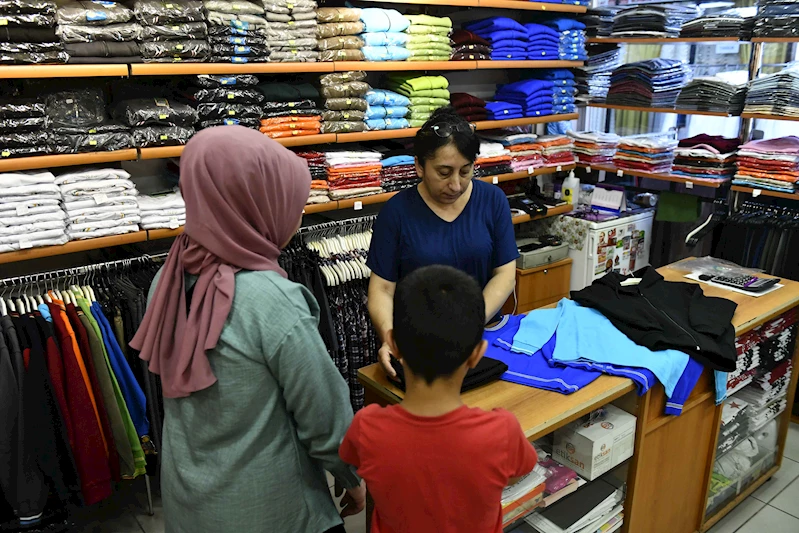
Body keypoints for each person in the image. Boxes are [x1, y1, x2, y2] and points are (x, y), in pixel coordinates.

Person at [130, 126, 365, 533]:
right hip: (272, 510)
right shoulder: (273, 300)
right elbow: (324, 416)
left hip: (191, 503)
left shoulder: (167, 279)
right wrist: (350, 475)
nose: (297, 215)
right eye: (286, 201)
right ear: (253, 203)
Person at [340, 265, 538, 533]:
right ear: (477, 354)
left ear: (394, 344)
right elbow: (518, 471)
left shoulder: (366, 427)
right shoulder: (503, 431)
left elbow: (351, 461)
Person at [366, 107, 519, 378]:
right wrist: (390, 337)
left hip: (482, 337)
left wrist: (471, 324)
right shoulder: (397, 212)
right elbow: (382, 289)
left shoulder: (493, 200)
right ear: (419, 166)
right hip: (419, 345)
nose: (456, 185)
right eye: (444, 173)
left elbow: (505, 274)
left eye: (465, 171)